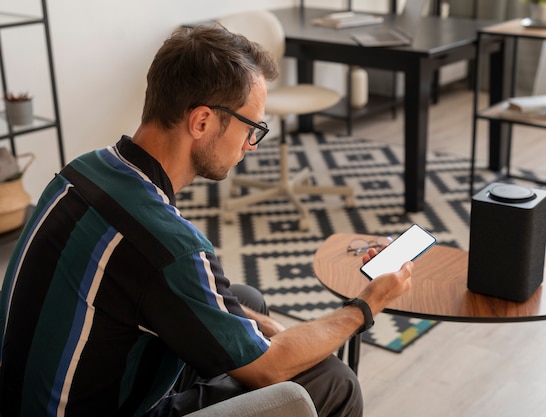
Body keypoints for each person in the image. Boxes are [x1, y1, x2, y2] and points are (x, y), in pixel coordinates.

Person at [0, 23, 413, 417]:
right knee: (332, 382)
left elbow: (162, 287)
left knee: (246, 301)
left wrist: (263, 327)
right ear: (201, 122)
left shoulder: (85, 169)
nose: (252, 145)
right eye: (253, 128)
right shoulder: (169, 246)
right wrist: (366, 304)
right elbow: (270, 367)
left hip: (29, 397)